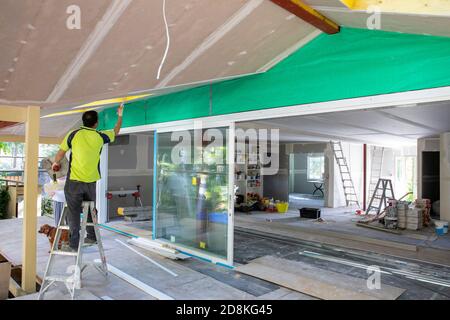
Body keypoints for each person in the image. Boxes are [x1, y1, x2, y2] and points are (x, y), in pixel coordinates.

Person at [52, 103, 124, 251]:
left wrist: (55, 163)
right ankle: (92, 236)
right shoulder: (100, 136)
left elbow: (60, 153)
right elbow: (116, 131)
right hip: (91, 182)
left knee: (73, 213)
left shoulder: (73, 134)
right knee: (90, 209)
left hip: (74, 182)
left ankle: (73, 244)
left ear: (83, 121)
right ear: (96, 123)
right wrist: (120, 115)